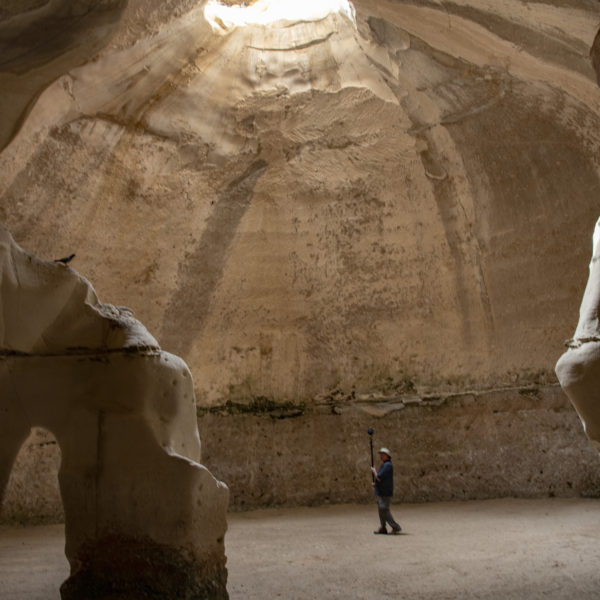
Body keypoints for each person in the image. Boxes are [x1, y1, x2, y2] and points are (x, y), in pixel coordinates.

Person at [371, 447, 401, 535]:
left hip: (385, 491)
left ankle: (395, 527)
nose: (381, 456)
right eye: (381, 454)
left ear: (387, 456)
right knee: (381, 510)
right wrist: (376, 484)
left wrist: (374, 471)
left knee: (384, 509)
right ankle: (383, 527)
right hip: (382, 491)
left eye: (383, 455)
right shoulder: (385, 465)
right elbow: (381, 479)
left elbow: (379, 477)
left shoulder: (387, 465)